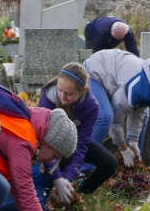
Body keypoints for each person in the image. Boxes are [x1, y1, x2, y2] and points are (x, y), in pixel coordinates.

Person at [37, 62, 116, 201]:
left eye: (68, 94)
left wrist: (68, 178)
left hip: (73, 143)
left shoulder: (91, 107)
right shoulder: (49, 97)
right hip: (47, 146)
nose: (62, 96)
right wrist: (57, 178)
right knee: (60, 158)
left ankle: (77, 195)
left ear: (83, 91)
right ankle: (43, 198)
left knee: (110, 163)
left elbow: (82, 145)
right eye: (60, 90)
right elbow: (43, 140)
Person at [83, 49, 150, 168]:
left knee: (146, 112)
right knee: (105, 116)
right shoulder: (137, 87)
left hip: (114, 78)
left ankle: (135, 162)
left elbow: (139, 110)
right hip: (94, 73)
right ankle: (85, 169)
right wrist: (123, 148)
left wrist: (133, 141)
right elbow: (114, 120)